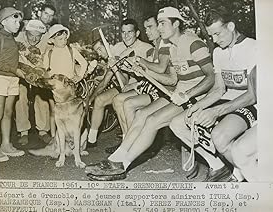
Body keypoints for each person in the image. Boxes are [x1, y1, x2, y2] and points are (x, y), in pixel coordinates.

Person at [85, 6, 216, 181]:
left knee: (153, 121)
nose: (159, 28)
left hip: (196, 97)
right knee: (141, 115)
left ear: (176, 23)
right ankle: (116, 159)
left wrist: (187, 94)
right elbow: (170, 78)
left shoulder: (194, 43)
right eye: (158, 24)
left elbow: (211, 78)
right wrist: (144, 72)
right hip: (179, 94)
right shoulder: (171, 47)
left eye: (162, 23)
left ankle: (122, 165)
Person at [169, 6, 257, 182]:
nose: (215, 40)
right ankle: (219, 166)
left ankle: (241, 174)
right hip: (227, 100)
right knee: (178, 123)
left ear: (231, 26)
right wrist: (197, 106)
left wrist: (215, 112)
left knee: (219, 136)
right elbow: (218, 89)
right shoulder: (218, 52)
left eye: (218, 34)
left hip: (249, 104)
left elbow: (252, 96)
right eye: (211, 36)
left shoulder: (253, 48)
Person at [86, 18, 153, 147]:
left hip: (140, 86)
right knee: (100, 100)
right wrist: (91, 98)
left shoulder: (146, 48)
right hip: (124, 85)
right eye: (123, 32)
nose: (126, 35)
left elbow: (148, 75)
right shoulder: (118, 48)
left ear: (137, 33)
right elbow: (111, 76)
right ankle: (91, 140)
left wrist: (117, 68)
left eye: (130, 32)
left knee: (120, 100)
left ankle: (128, 139)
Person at [0, 7, 25, 162]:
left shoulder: (13, 39)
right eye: (15, 20)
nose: (18, 23)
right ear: (4, 22)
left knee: (8, 112)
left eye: (19, 21)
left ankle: (6, 144)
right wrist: (15, 70)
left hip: (13, 79)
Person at [14, 20, 47, 145]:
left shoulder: (45, 43)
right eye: (31, 35)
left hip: (37, 75)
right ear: (26, 33)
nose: (34, 39)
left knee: (41, 96)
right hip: (20, 74)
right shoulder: (18, 39)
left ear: (41, 36)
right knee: (21, 95)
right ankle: (23, 131)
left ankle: (43, 131)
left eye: (37, 36)